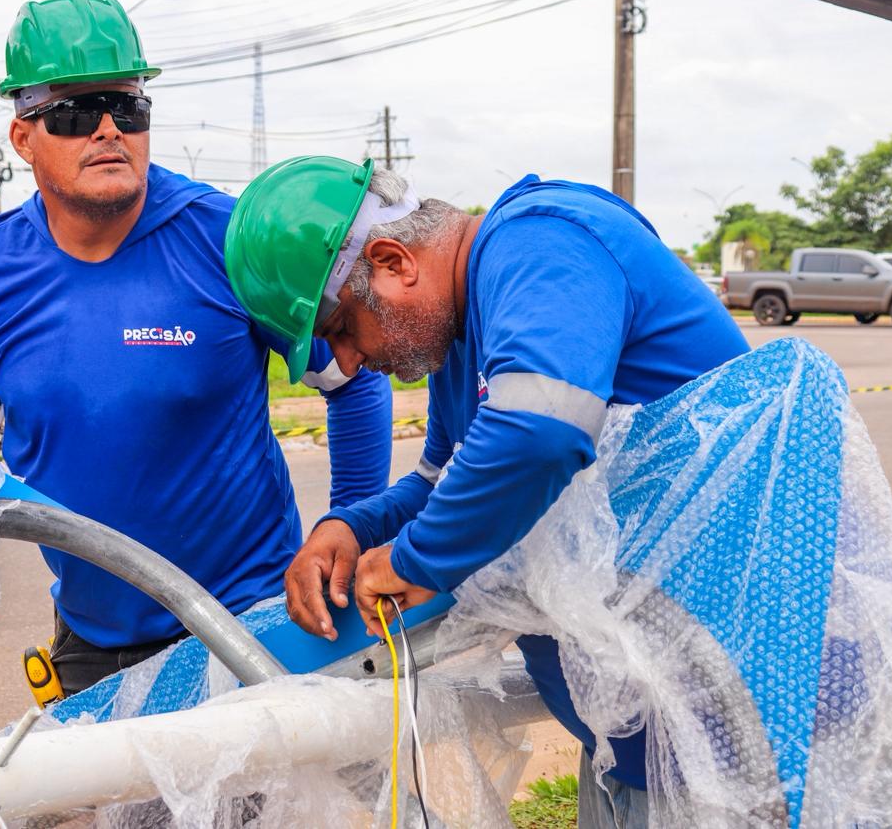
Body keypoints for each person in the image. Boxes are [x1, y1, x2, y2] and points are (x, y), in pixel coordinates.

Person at [224, 155, 757, 827]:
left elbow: (539, 434)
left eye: (341, 331)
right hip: (640, 736)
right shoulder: (460, 339)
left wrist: (414, 562)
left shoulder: (542, 239)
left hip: (743, 725)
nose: (352, 363)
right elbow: (441, 485)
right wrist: (355, 529)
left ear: (392, 262)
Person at [0, 0, 392, 696]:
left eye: (127, 108)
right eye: (75, 113)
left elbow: (354, 378)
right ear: (22, 137)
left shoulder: (226, 239)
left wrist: (351, 524)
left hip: (247, 628)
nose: (108, 129)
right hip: (93, 644)